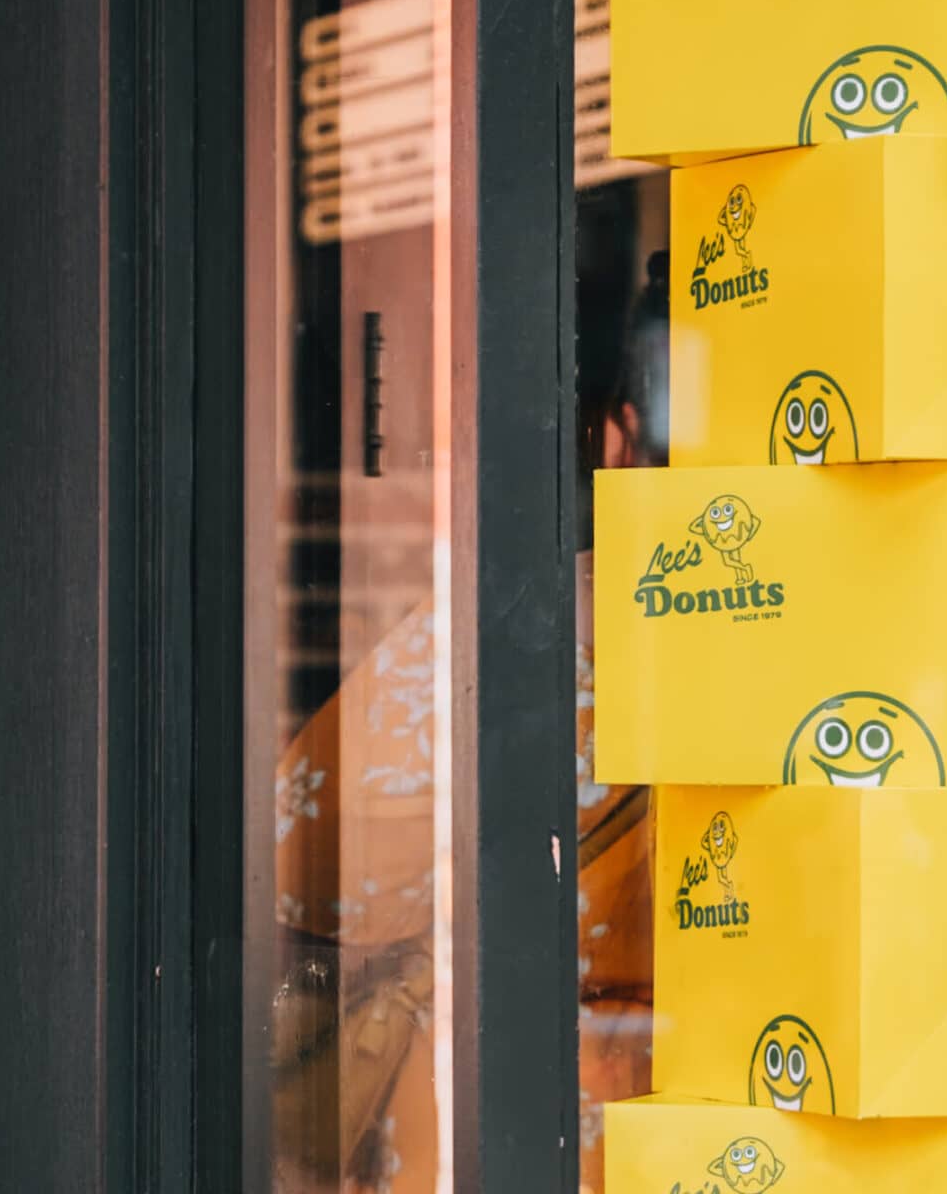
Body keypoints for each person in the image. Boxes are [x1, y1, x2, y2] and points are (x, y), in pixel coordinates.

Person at [272, 253, 668, 1194]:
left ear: (617, 443)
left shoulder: (511, 642)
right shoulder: (846, 667)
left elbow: (297, 865)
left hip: (500, 1138)